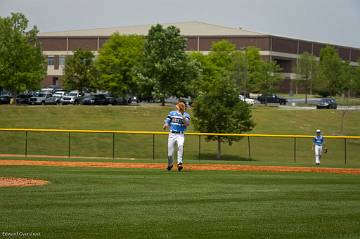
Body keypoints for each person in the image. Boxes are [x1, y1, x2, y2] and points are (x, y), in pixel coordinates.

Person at [163, 101, 190, 171]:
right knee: (170, 153)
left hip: (180, 134)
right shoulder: (172, 113)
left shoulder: (186, 115)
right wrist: (166, 124)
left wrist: (182, 114)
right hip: (172, 134)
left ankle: (179, 163)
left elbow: (186, 124)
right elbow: (167, 120)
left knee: (180, 146)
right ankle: (170, 164)